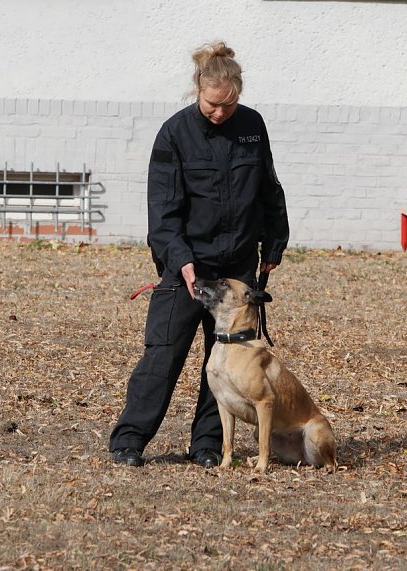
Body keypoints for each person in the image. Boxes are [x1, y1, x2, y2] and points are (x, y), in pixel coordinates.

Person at [108, 41, 290, 468]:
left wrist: (274, 242)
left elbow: (268, 189)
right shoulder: (175, 133)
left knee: (226, 358)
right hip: (189, 264)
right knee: (164, 351)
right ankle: (129, 440)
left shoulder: (252, 126)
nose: (219, 113)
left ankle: (207, 445)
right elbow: (163, 210)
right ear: (198, 89)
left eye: (228, 105)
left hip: (238, 266)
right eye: (212, 104)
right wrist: (181, 259)